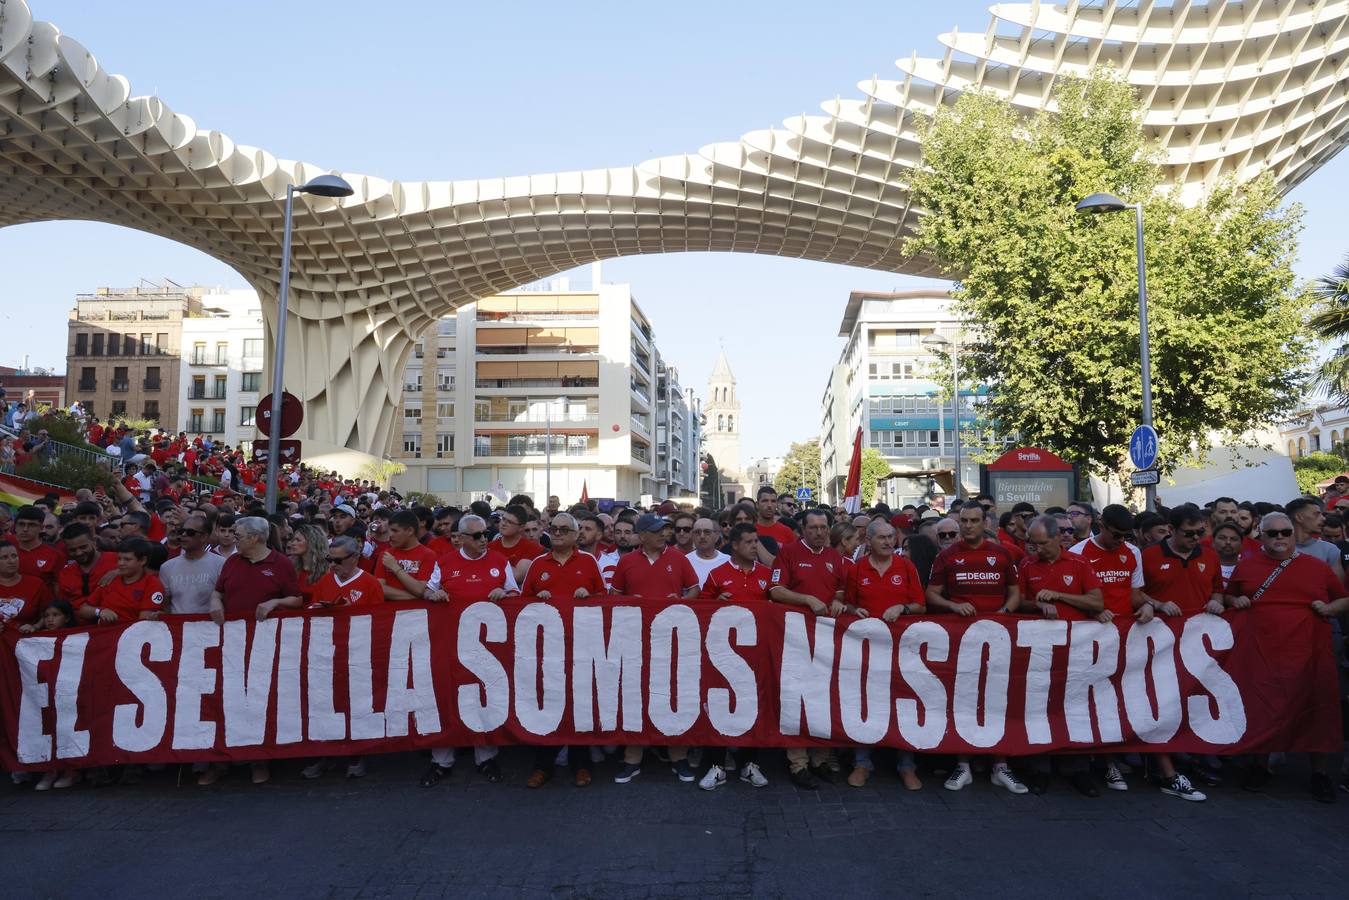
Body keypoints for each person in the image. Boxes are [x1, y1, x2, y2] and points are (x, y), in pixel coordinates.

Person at [1226, 511, 1349, 803]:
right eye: (1272, 533)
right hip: (1261, 653)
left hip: (1309, 653)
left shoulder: (1317, 567)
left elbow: (1344, 598)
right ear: (1261, 536)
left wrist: (1331, 610)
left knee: (1316, 710)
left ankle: (1319, 774)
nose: (1279, 538)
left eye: (1285, 532)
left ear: (1294, 534)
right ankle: (1261, 766)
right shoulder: (1248, 566)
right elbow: (1228, 596)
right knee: (1261, 706)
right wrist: (1235, 600)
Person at [926, 502, 1028, 794]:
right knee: (963, 699)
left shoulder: (1001, 554)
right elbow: (931, 595)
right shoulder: (946, 556)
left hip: (999, 639)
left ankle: (1000, 766)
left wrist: (1006, 614)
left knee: (999, 699)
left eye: (973, 520)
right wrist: (953, 605)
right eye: (964, 521)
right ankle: (963, 765)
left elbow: (1014, 591)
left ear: (986, 522)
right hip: (963, 641)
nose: (968, 525)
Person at [204, 516, 302, 787]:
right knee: (225, 700)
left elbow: (297, 599)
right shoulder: (232, 562)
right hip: (231, 643)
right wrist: (214, 602)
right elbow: (218, 592)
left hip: (265, 646)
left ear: (256, 538)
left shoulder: (281, 564)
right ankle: (219, 762)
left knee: (260, 700)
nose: (233, 539)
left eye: (239, 535)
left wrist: (275, 602)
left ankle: (260, 760)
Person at [609, 513, 700, 784]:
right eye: (658, 531)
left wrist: (682, 600)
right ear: (643, 535)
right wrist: (630, 601)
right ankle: (632, 758)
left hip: (671, 638)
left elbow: (694, 589)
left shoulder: (678, 559)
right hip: (635, 641)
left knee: (673, 694)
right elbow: (613, 597)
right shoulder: (626, 562)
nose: (664, 535)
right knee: (634, 696)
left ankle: (678, 756)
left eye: (665, 530)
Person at [420, 514, 510, 788]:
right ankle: (441, 760)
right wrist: (432, 595)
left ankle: (486, 757)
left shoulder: (499, 562)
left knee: (484, 696)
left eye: (486, 534)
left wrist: (504, 594)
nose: (485, 539)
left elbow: (516, 595)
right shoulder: (445, 561)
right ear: (461, 538)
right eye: (478, 535)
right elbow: (426, 589)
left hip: (488, 649)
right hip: (450, 644)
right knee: (446, 696)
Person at [1018, 515, 1104, 796]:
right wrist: (1038, 606)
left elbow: (1095, 601)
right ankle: (1040, 769)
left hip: (1076, 648)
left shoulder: (1079, 565)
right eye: (1032, 543)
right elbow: (1020, 601)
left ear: (1057, 538)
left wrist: (1057, 596)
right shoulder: (1027, 565)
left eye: (1041, 543)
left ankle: (1078, 769)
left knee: (1075, 707)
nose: (1036, 549)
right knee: (1040, 707)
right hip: (1041, 650)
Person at [519, 513, 605, 789]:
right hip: (547, 647)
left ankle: (581, 765)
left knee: (579, 704)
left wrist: (588, 595)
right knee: (548, 704)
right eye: (553, 529)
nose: (557, 533)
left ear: (575, 534)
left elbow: (606, 600)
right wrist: (536, 599)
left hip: (581, 645)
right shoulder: (537, 564)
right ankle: (542, 766)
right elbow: (521, 604)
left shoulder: (589, 562)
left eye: (563, 530)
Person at [768, 508, 847, 789]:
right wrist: (807, 599)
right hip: (795, 638)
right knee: (796, 700)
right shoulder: (788, 553)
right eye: (812, 527)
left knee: (824, 699)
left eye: (823, 527)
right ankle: (798, 763)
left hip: (827, 640)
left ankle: (820, 759)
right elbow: (775, 590)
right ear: (803, 529)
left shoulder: (834, 556)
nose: (819, 532)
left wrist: (839, 601)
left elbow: (840, 589)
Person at [844, 518, 924, 789]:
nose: (889, 542)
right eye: (882, 538)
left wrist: (903, 607)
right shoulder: (857, 569)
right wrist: (854, 612)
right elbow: (849, 605)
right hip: (867, 650)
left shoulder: (907, 566)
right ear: (869, 541)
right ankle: (863, 762)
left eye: (892, 537)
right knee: (865, 702)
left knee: (903, 703)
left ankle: (907, 766)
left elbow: (920, 605)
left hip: (902, 648)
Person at [695, 522, 774, 791]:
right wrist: (715, 604)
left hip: (757, 655)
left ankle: (750, 764)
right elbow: (701, 610)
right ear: (736, 546)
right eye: (750, 542)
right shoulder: (717, 575)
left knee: (756, 706)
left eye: (756, 541)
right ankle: (716, 765)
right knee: (718, 706)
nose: (755, 547)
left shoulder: (767, 574)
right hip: (723, 656)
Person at [300, 536, 385, 781]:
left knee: (355, 703)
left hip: (357, 653)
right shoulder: (325, 581)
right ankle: (323, 752)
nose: (333, 564)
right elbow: (313, 609)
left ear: (354, 558)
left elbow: (379, 621)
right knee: (324, 702)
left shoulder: (370, 584)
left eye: (338, 560)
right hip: (327, 653)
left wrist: (352, 611)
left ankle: (356, 753)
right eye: (329, 559)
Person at [78, 539, 164, 625]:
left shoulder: (152, 584)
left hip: (131, 634)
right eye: (119, 559)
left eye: (127, 559)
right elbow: (83, 610)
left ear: (143, 560)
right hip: (104, 633)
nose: (121, 563)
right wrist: (99, 611)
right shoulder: (110, 579)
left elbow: (143, 622)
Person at [158, 514, 225, 614]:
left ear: (204, 536)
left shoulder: (221, 564)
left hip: (209, 627)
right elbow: (165, 605)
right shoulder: (167, 567)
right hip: (178, 626)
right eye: (181, 531)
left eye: (190, 532)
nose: (183, 535)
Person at [376, 510, 445, 602]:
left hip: (416, 614)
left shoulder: (428, 555)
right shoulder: (385, 554)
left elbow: (420, 589)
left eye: (395, 531)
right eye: (390, 530)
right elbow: (379, 588)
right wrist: (414, 596)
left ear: (410, 531)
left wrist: (395, 567)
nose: (390, 535)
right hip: (390, 613)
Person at [55, 523, 118, 609]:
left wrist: (120, 571)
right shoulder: (65, 574)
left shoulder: (117, 560)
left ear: (94, 542)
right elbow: (63, 608)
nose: (79, 553)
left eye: (83, 547)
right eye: (72, 550)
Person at [10, 505, 64, 590]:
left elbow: (58, 587)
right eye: (21, 524)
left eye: (32, 525)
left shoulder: (55, 555)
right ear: (15, 526)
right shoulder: (5, 552)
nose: (25, 529)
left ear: (41, 528)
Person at [0, 541, 51, 631]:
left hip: (28, 640)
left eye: (14, 556)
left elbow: (50, 613)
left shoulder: (36, 584)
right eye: (4, 557)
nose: (11, 561)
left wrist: (35, 627)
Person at [492, 504, 545, 583]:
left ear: (521, 527)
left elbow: (517, 577)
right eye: (503, 519)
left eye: (509, 522)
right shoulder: (490, 546)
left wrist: (491, 563)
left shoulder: (532, 548)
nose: (503, 524)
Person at [286, 522, 330, 605]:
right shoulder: (291, 567)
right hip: (294, 616)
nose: (293, 543)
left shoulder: (328, 569)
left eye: (298, 540)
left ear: (312, 543)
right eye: (293, 540)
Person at [686, 517, 729, 585]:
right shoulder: (685, 561)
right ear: (692, 536)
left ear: (717, 536)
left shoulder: (729, 561)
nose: (702, 536)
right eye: (697, 532)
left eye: (707, 532)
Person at [754, 486, 795, 550]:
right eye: (765, 501)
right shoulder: (749, 530)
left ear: (776, 504)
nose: (769, 505)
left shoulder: (787, 532)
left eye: (773, 501)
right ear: (757, 504)